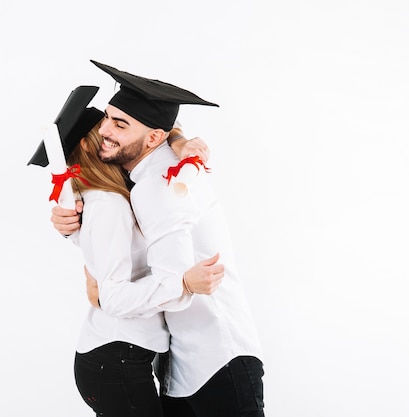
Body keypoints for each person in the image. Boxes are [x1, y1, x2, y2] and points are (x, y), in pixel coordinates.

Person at [53, 60, 265, 417]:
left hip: (214, 360)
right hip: (182, 364)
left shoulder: (157, 188)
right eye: (106, 117)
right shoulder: (149, 165)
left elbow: (178, 284)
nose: (104, 130)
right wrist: (73, 225)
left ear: (153, 138)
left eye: (119, 124)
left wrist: (108, 296)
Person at [30, 86, 225, 417]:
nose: (109, 134)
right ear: (89, 147)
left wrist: (179, 141)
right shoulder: (108, 205)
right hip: (115, 357)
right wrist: (184, 284)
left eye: (117, 127)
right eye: (104, 130)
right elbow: (115, 296)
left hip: (120, 355)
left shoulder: (111, 199)